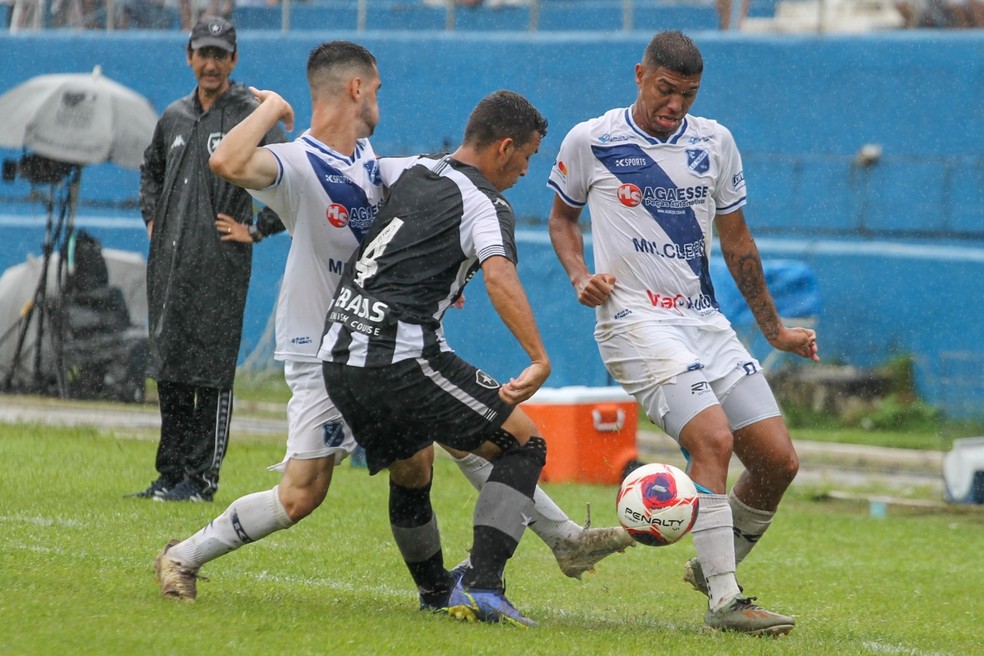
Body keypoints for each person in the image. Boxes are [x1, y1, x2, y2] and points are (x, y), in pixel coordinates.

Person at [152, 43, 632, 603]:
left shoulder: (371, 164)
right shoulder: (299, 163)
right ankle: (182, 555)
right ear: (356, 88)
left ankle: (503, 564)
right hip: (321, 346)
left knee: (437, 452)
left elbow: (431, 210)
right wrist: (273, 108)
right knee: (301, 495)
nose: (381, 97)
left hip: (387, 340)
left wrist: (447, 278)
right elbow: (227, 162)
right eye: (376, 88)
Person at [547, 31, 819, 636]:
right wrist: (579, 275)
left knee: (778, 462)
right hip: (634, 321)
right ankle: (726, 600)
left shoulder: (715, 142)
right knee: (713, 441)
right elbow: (563, 219)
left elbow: (737, 240)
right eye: (666, 91)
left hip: (704, 321)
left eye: (687, 95)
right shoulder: (592, 140)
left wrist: (773, 331)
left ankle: (708, 563)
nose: (675, 106)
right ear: (640, 74)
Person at [319, 90, 557, 627]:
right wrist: (538, 358)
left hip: (338, 350)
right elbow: (499, 275)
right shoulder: (488, 204)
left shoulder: (413, 167)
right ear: (504, 147)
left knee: (412, 465)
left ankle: (434, 593)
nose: (525, 170)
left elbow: (360, 178)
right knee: (523, 440)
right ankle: (483, 586)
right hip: (397, 355)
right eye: (528, 157)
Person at [129, 16, 286, 503]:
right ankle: (170, 473)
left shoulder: (250, 113)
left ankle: (201, 480)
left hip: (220, 267)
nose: (211, 63)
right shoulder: (174, 115)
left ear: (234, 60)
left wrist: (257, 229)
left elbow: (293, 177)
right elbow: (150, 169)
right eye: (204, 53)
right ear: (190, 57)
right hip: (170, 268)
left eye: (221, 54)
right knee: (171, 370)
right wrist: (154, 219)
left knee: (211, 373)